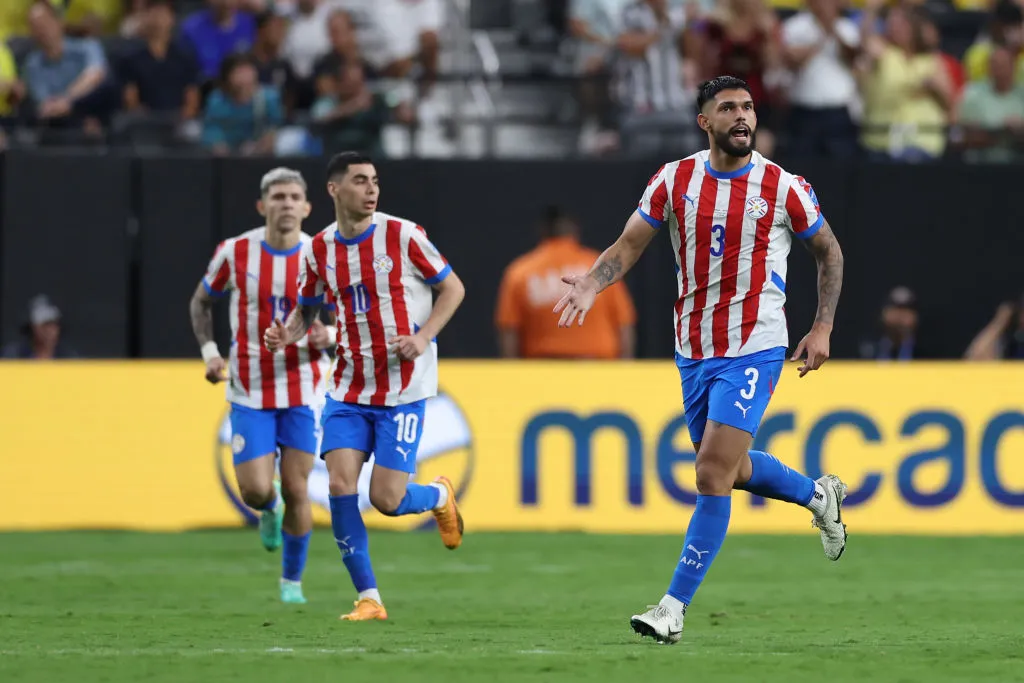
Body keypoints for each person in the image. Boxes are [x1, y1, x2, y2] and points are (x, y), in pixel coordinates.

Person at [554, 76, 848, 644]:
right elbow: (631, 243)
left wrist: (822, 325)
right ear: (705, 122)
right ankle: (819, 495)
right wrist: (594, 281)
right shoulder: (676, 178)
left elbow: (828, 251)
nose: (742, 116)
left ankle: (672, 608)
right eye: (728, 109)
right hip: (693, 350)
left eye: (748, 108)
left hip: (755, 346)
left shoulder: (783, 187)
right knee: (731, 470)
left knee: (711, 472)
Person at [264, 151, 466, 622]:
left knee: (387, 499)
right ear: (334, 190)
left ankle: (437, 496)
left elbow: (453, 288)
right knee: (338, 484)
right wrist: (286, 333)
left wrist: (422, 337)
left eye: (374, 180)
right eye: (360, 181)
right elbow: (307, 312)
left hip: (404, 389)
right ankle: (369, 597)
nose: (372, 189)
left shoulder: (404, 234)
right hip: (348, 389)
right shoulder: (318, 249)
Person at [189, 167, 334, 605]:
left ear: (307, 208)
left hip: (303, 388)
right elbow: (201, 301)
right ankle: (267, 510)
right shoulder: (235, 252)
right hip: (249, 388)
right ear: (262, 205)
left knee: (297, 487)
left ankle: (292, 584)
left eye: (294, 197)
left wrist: (334, 336)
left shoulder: (323, 254)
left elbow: (353, 311)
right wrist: (211, 353)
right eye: (277, 197)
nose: (286, 204)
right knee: (255, 490)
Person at [495, 206, 636, 359]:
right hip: (596, 369)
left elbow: (509, 331)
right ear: (574, 232)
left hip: (542, 373)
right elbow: (624, 325)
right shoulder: (601, 269)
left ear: (542, 233)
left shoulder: (520, 272)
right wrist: (624, 372)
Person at [2, 294, 77, 359]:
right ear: (33, 327)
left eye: (54, 325)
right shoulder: (14, 355)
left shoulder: (68, 357)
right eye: (45, 325)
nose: (50, 331)